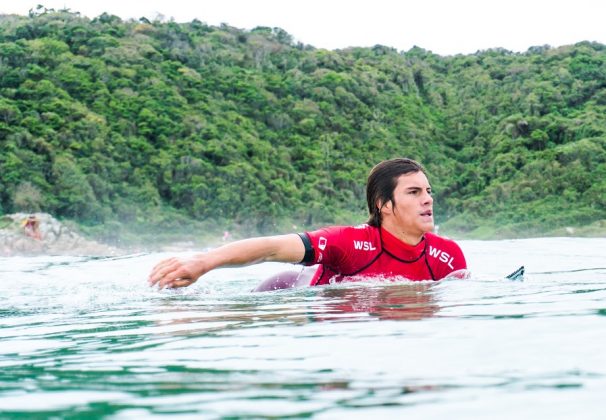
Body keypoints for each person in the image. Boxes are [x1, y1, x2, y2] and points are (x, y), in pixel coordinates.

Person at [149, 158, 467, 291]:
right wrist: (202, 263)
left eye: (428, 191)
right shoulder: (349, 242)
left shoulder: (449, 256)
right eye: (413, 192)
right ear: (384, 205)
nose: (428, 199)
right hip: (288, 291)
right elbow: (273, 248)